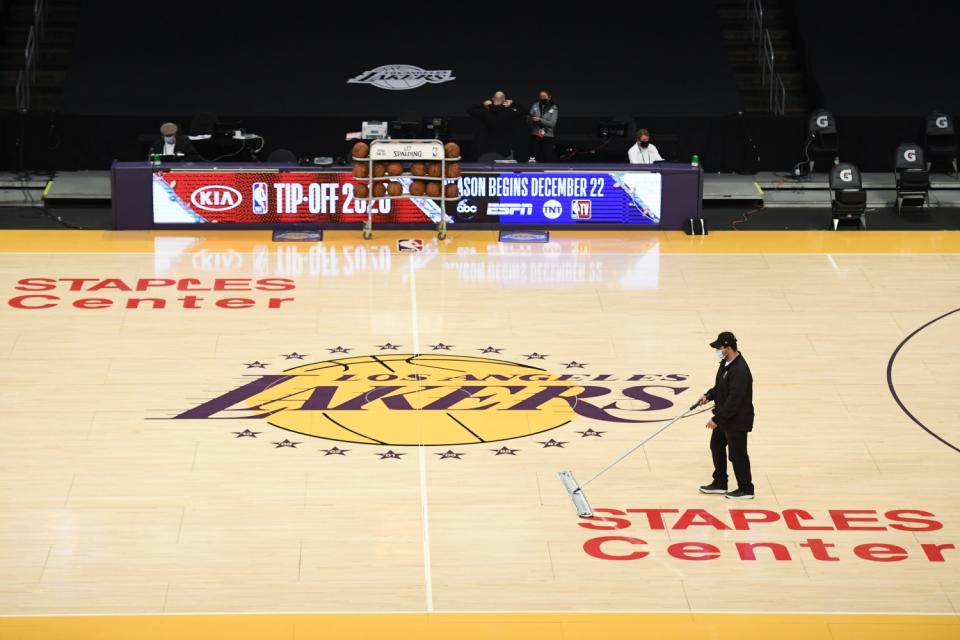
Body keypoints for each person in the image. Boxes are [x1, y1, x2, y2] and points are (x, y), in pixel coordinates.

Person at [698, 331, 755, 500]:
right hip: (725, 417)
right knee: (716, 445)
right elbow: (721, 387)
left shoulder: (740, 371)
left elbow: (734, 400)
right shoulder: (725, 363)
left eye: (719, 347)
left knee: (737, 454)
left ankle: (746, 489)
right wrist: (708, 395)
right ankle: (720, 482)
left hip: (736, 419)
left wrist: (717, 419)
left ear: (728, 348)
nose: (717, 350)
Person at [467, 91, 525, 160]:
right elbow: (524, 111)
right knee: (507, 169)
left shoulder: (485, 112)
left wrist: (483, 104)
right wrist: (513, 103)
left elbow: (470, 110)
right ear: (504, 100)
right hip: (505, 150)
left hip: (487, 150)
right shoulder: (509, 112)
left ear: (493, 99)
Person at [527, 89, 558, 162]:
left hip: (548, 136)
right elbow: (528, 119)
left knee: (548, 157)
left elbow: (552, 124)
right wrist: (531, 120)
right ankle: (533, 172)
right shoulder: (534, 106)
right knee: (534, 157)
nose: (542, 98)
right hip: (535, 135)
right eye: (540, 96)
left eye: (544, 96)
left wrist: (540, 120)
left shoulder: (554, 108)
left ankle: (548, 173)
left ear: (549, 97)